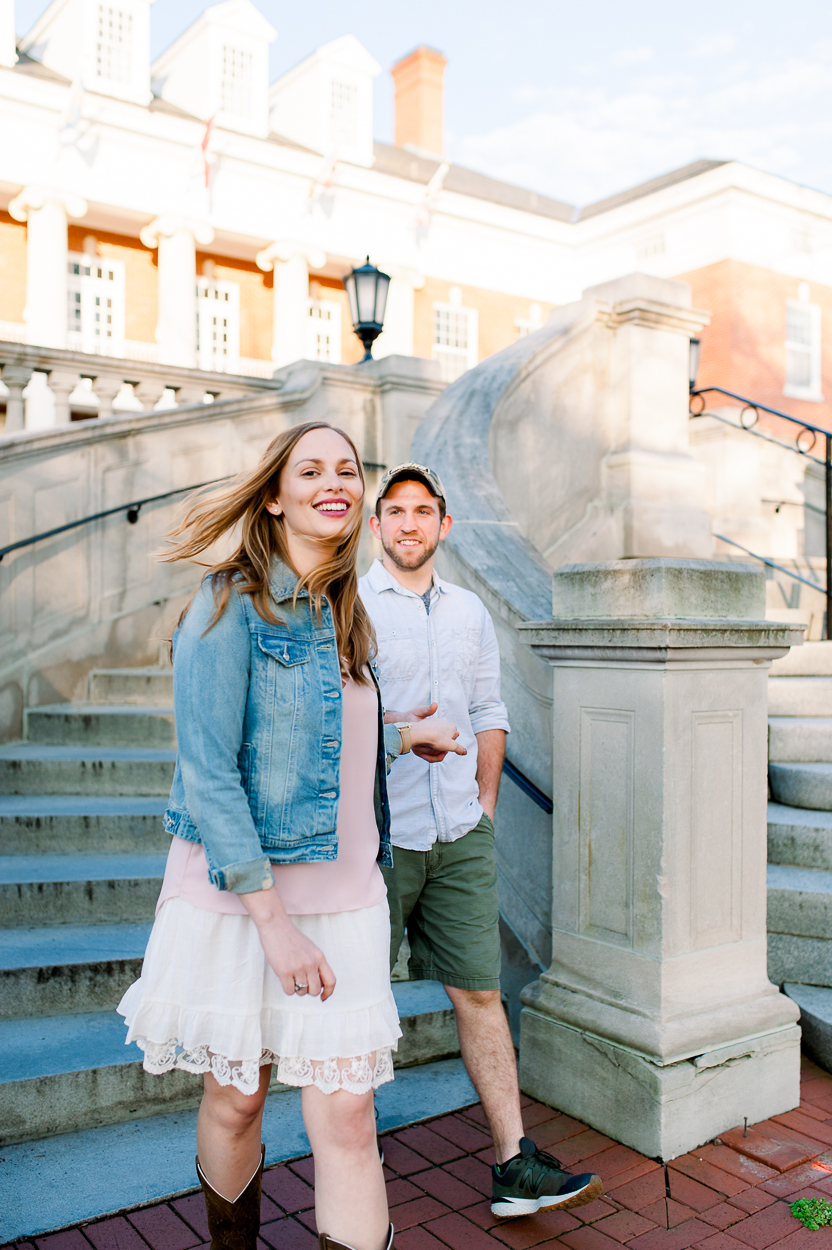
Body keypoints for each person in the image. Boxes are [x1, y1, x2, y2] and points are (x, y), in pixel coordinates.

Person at [117, 426, 465, 1250]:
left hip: (343, 899)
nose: (333, 482)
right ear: (274, 494)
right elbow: (210, 770)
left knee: (347, 1111)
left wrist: (401, 737)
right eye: (310, 470)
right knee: (238, 1097)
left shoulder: (349, 614)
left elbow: (310, 736)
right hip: (241, 898)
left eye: (347, 469)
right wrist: (274, 926)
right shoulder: (227, 602)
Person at [359, 463, 604, 1222]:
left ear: (444, 526)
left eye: (422, 512)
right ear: (375, 526)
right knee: (360, 1008)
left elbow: (491, 707)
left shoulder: (468, 612)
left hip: (460, 832)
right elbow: (330, 728)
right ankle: (351, 1169)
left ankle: (513, 1162)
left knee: (481, 994)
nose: (408, 524)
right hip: (376, 842)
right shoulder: (350, 605)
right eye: (394, 512)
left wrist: (487, 803)